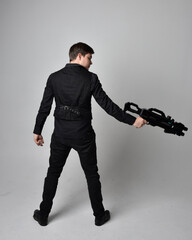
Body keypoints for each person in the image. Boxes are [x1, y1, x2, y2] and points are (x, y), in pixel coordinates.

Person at [33, 42, 146, 227]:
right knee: (92, 174)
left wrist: (37, 130)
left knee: (53, 173)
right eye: (89, 57)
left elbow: (44, 107)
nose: (91, 62)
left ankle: (43, 214)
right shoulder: (91, 79)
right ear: (79, 56)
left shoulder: (54, 78)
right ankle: (99, 216)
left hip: (60, 135)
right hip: (83, 136)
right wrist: (133, 120)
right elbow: (108, 106)